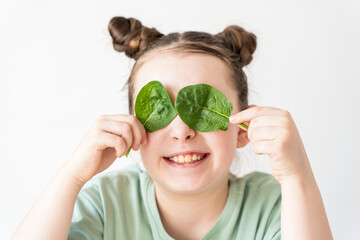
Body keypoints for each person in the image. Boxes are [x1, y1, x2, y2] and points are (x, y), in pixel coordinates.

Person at [11, 16, 333, 240]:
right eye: (158, 109)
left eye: (204, 107)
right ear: (132, 129)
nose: (181, 131)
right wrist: (71, 176)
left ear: (244, 127)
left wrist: (296, 175)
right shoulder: (106, 204)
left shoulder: (276, 205)